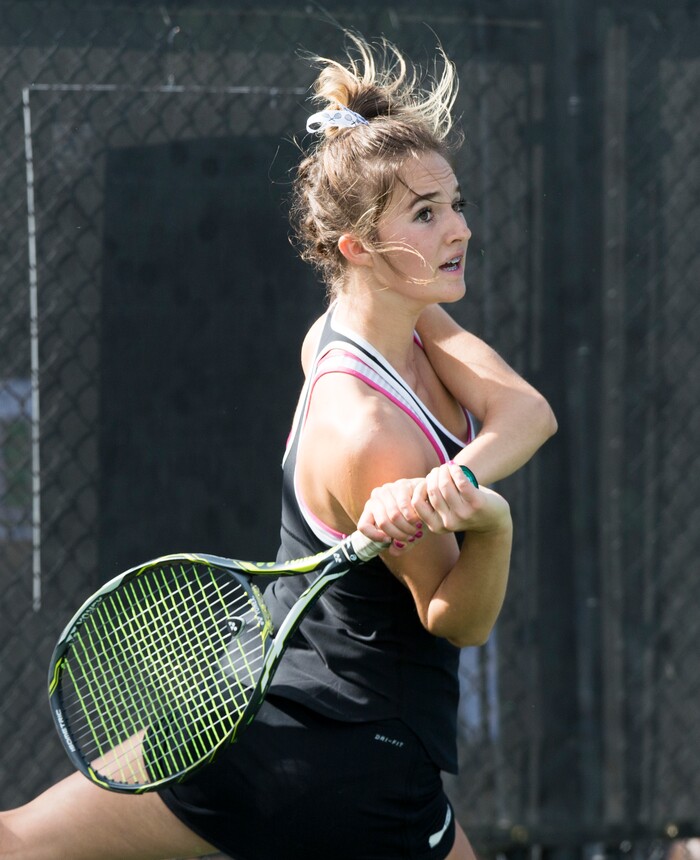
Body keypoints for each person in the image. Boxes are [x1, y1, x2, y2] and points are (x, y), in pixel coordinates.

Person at [0, 32, 556, 860]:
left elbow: (528, 412)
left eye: (456, 203)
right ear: (356, 248)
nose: (461, 230)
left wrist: (456, 481)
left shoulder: (391, 326)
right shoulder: (369, 430)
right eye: (427, 214)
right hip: (347, 765)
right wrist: (493, 526)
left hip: (244, 715)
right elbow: (454, 617)